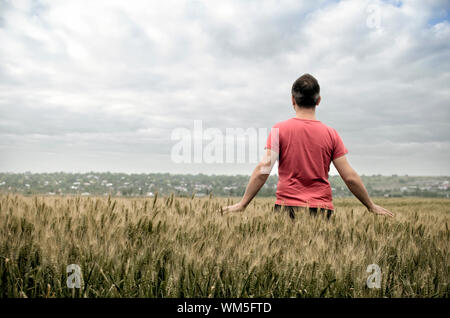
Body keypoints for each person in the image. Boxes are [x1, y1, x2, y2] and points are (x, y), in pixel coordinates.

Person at [222, 73, 394, 218]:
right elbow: (349, 177)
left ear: (292, 100)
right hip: (321, 210)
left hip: (286, 208)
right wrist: (370, 205)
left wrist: (243, 204)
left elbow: (263, 170)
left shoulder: (278, 129)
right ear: (318, 100)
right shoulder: (331, 134)